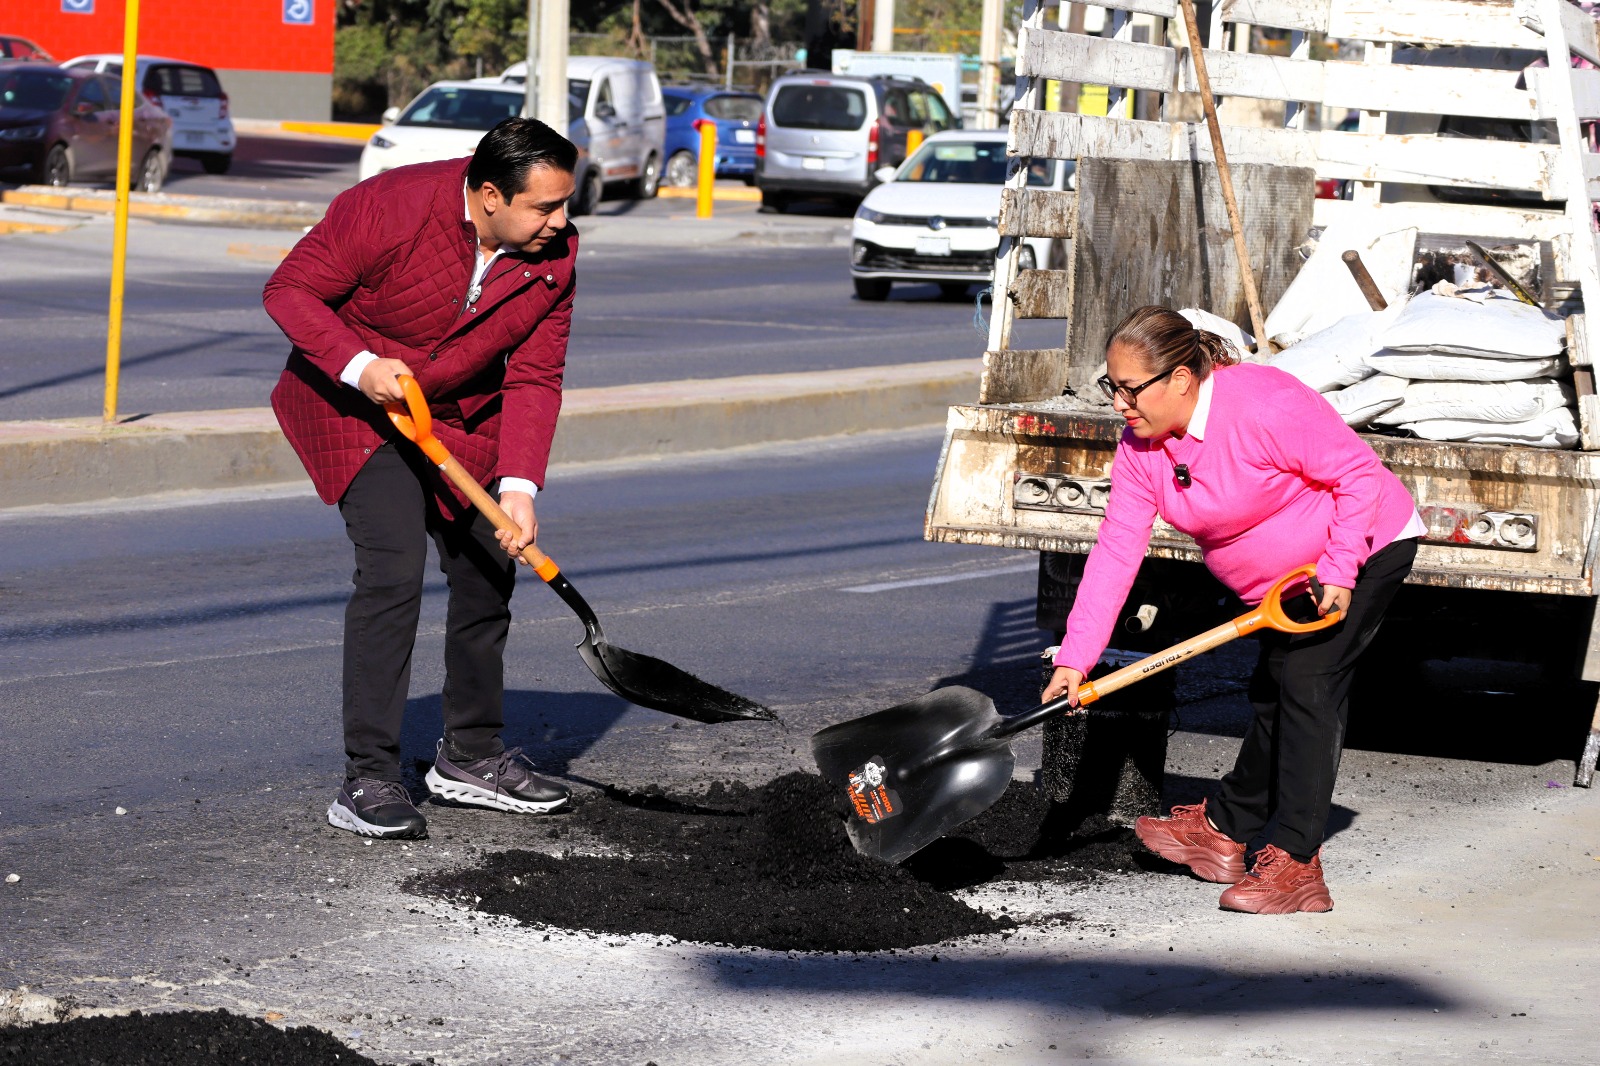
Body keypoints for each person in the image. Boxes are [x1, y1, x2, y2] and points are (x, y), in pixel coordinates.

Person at [1041, 306, 1423, 914]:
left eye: (1131, 389)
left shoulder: (1261, 404)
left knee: (1307, 687)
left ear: (1183, 380)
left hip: (1363, 547)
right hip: (1283, 583)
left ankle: (1297, 864)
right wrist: (1076, 656)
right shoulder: (1142, 446)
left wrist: (1341, 566)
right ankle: (1227, 829)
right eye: (1111, 387)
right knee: (1273, 689)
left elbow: (1359, 474)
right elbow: (1117, 549)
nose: (1119, 403)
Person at [264, 118, 581, 840]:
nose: (561, 223)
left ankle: (470, 756)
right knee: (394, 569)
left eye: (567, 204)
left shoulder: (553, 257)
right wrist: (359, 365)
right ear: (491, 196)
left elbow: (535, 375)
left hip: (456, 418)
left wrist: (520, 488)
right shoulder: (391, 207)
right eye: (546, 207)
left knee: (486, 564)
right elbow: (289, 291)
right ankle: (368, 777)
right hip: (352, 403)